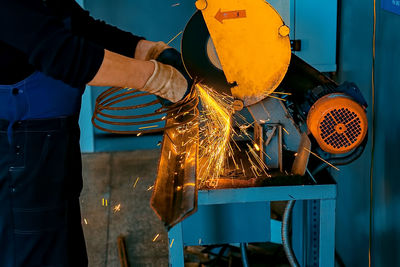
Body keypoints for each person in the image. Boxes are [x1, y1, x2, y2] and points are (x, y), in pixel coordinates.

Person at [0, 0, 191, 266]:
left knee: (64, 248)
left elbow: (79, 26)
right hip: (20, 149)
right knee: (37, 253)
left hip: (52, 140)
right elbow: (65, 54)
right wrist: (157, 78)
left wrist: (148, 51)